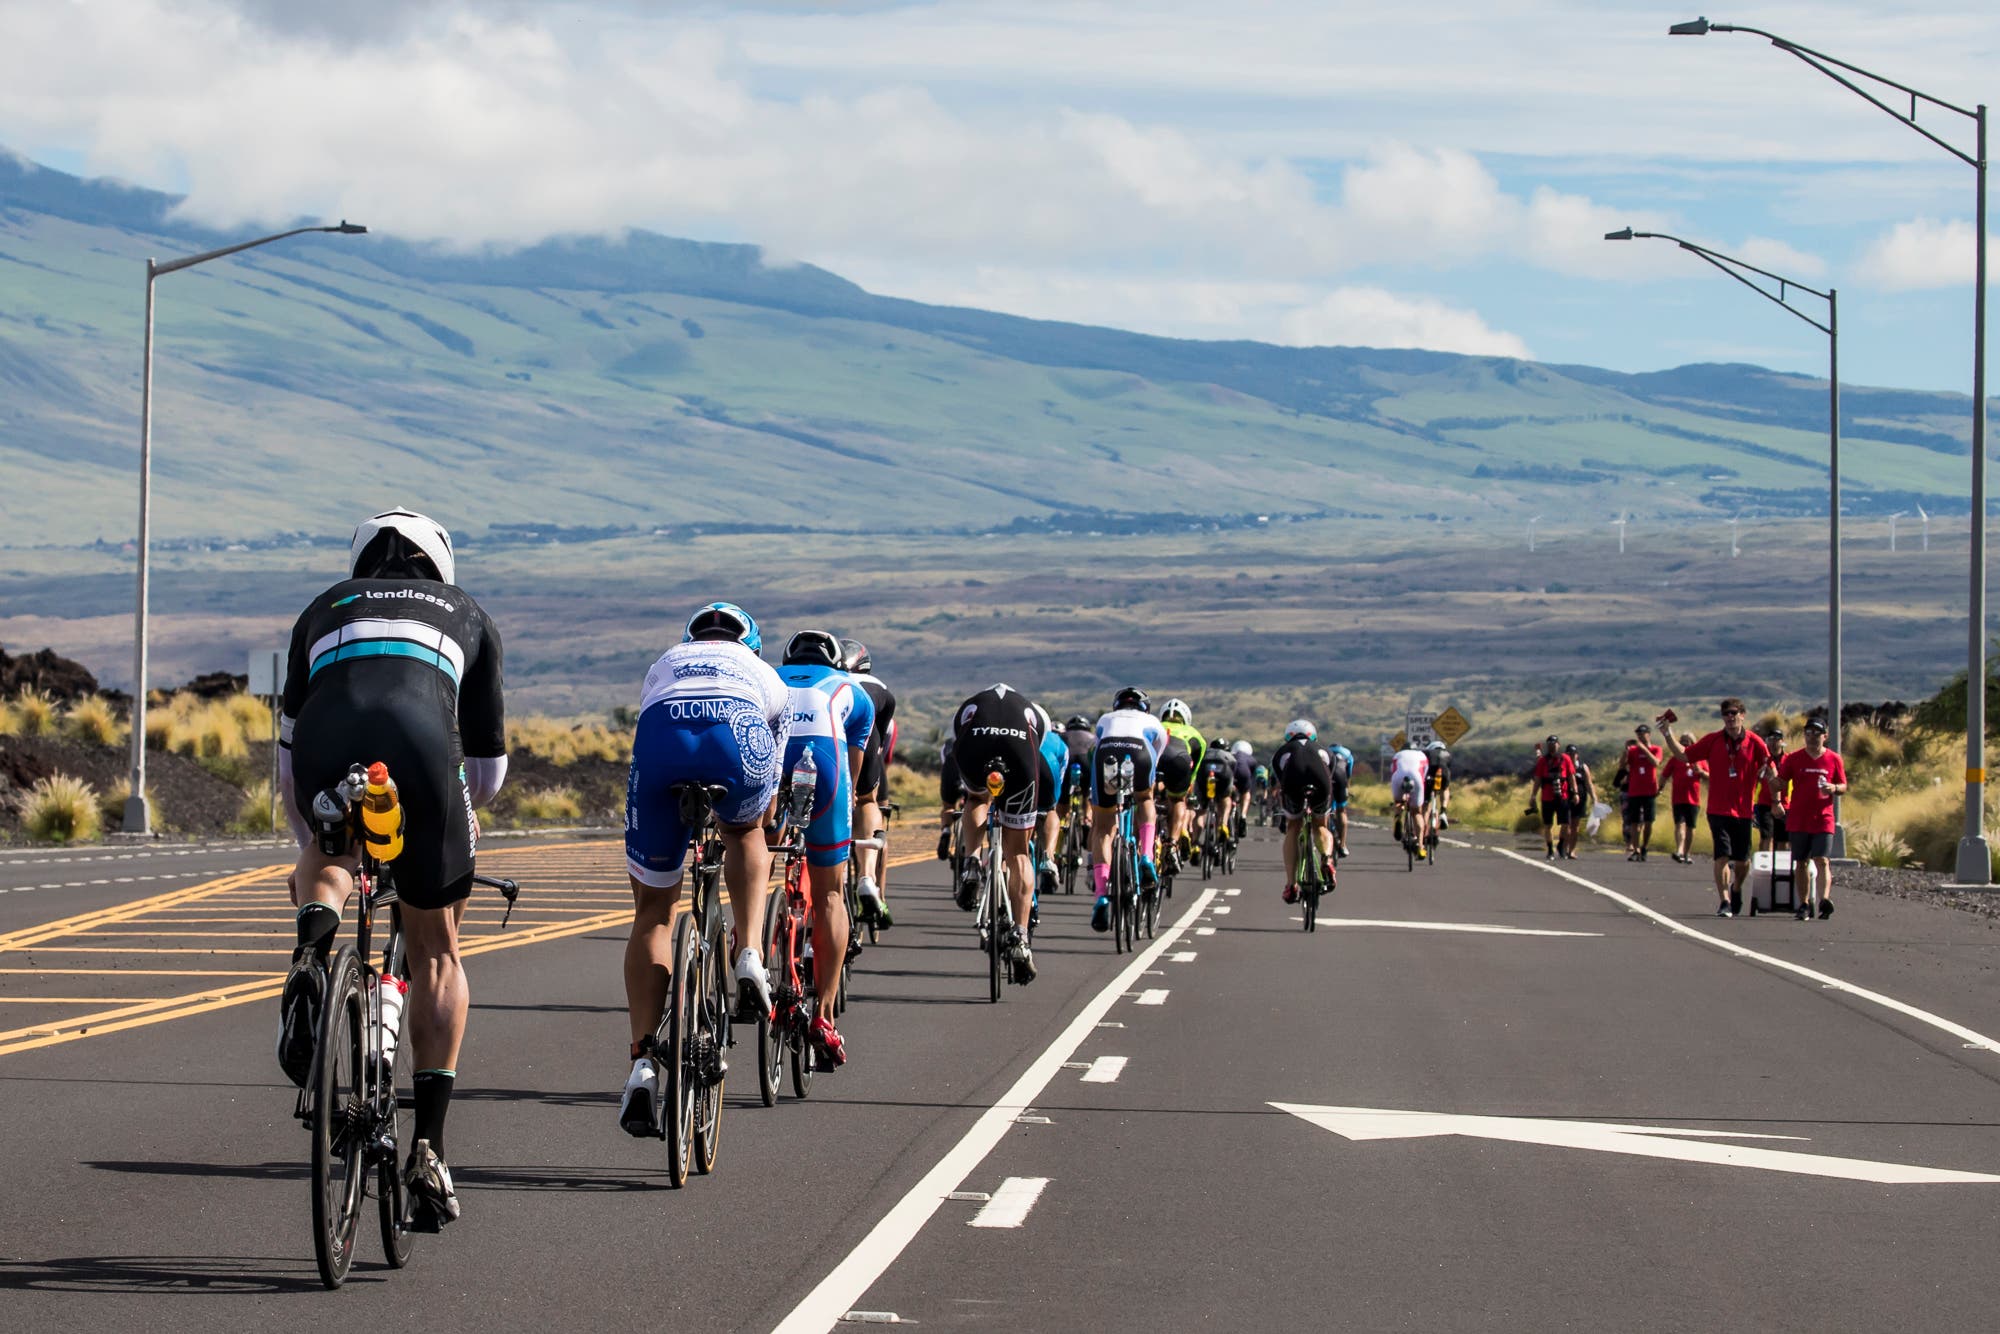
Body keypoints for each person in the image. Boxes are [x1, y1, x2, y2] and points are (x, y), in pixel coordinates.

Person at [277, 509, 508, 1230]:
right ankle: (430, 1150)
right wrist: (448, 825)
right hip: (417, 745)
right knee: (438, 952)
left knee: (328, 845)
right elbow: (487, 771)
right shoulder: (467, 612)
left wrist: (317, 840)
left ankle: (312, 951)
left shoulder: (323, 608)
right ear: (438, 564)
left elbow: (286, 767)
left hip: (324, 739)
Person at [622, 601, 788, 1135]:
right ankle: (750, 955)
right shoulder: (764, 673)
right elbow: (770, 789)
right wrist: (755, 824)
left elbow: (646, 724)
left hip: (662, 735)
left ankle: (643, 1063)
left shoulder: (667, 660)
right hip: (737, 735)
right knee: (746, 832)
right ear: (751, 646)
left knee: (652, 911)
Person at [775, 629, 875, 1065]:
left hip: (772, 759)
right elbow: (853, 782)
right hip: (826, 762)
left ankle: (750, 951)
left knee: (753, 852)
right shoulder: (854, 691)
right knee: (831, 893)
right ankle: (825, 1014)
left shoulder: (767, 676)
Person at [949, 684, 1044, 983]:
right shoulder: (1035, 714)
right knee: (1018, 853)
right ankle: (1020, 934)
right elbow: (1036, 750)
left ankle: (973, 861)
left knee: (977, 798)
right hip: (1020, 755)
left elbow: (959, 734)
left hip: (974, 748)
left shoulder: (971, 704)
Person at [1660, 699, 1771, 917]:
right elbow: (1684, 754)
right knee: (1721, 856)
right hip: (1718, 810)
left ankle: (1737, 887)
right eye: (1725, 714)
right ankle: (1724, 901)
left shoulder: (1755, 742)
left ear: (1743, 715)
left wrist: (1776, 796)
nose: (1730, 717)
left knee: (1742, 861)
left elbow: (1771, 766)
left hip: (1744, 811)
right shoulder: (1713, 741)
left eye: (1733, 713)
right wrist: (1667, 733)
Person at [1088, 687, 1169, 932]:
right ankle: (1146, 855)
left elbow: (1097, 743)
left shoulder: (1105, 719)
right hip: (1141, 752)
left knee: (1103, 826)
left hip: (1107, 753)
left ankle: (1101, 894)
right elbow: (1157, 754)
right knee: (1145, 798)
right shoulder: (1152, 721)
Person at [1767, 716, 1848, 920]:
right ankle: (1803, 904)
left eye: (1816, 733)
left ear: (1825, 736)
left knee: (1822, 860)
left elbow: (1843, 786)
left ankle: (1824, 900)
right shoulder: (1794, 758)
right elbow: (1780, 782)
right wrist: (1774, 795)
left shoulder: (1833, 759)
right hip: (1799, 818)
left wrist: (1834, 788)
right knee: (1801, 862)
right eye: (1808, 733)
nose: (1812, 737)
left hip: (1823, 818)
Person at [841, 638, 896, 929]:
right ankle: (867, 878)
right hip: (866, 747)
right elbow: (882, 746)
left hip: (820, 739)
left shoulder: (826, 680)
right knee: (868, 802)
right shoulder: (878, 686)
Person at [1273, 719, 1335, 900]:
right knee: (1320, 825)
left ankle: (1291, 884)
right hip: (1321, 783)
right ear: (1313, 736)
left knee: (1293, 827)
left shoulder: (1282, 752)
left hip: (1293, 782)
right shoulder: (1324, 750)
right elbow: (1329, 776)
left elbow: (1280, 781)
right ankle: (1326, 858)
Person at [1155, 698, 1204, 869]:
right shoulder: (1195, 734)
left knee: (1144, 798)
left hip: (1155, 759)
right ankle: (1172, 843)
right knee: (1177, 800)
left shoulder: (1153, 725)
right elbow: (1193, 773)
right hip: (1179, 760)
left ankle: (1142, 845)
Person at [1620, 724, 1665, 861]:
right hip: (1634, 790)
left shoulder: (1656, 749)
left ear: (1648, 734)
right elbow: (1622, 766)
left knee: (1648, 821)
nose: (1640, 736)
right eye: (1638, 734)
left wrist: (1643, 749)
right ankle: (1635, 848)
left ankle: (1645, 846)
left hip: (1649, 791)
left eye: (1642, 733)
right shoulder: (1633, 751)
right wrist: (1626, 751)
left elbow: (1656, 762)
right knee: (1634, 822)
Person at [1525, 736, 1574, 860]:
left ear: (1558, 744)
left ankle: (1561, 845)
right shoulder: (1542, 761)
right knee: (1548, 825)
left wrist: (1575, 792)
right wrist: (1533, 795)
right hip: (1547, 797)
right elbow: (1537, 779)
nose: (1552, 745)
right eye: (1550, 743)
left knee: (1565, 824)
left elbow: (1571, 776)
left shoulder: (1566, 759)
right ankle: (1550, 849)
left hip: (1563, 795)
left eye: (1554, 743)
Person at [1663, 733, 1707, 864]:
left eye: (1688, 742)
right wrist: (1660, 787)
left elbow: (1710, 776)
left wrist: (1701, 772)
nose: (1685, 745)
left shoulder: (1700, 760)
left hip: (1693, 799)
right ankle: (1680, 850)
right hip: (1678, 798)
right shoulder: (1675, 759)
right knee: (1679, 824)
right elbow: (1665, 774)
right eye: (1682, 742)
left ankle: (1687, 853)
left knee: (1690, 827)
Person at [1388, 744, 1432, 857]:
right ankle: (1420, 846)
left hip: (1398, 777)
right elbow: (1424, 774)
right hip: (1416, 777)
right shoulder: (1422, 755)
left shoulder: (1397, 755)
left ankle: (1398, 817)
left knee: (1398, 801)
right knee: (1417, 812)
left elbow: (1393, 770)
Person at [1195, 736, 1236, 853]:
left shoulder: (1205, 753)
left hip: (1204, 777)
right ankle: (1222, 824)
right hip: (1223, 777)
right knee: (1225, 799)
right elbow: (1233, 777)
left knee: (1201, 812)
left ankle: (1196, 844)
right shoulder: (1229, 756)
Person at [1753, 729, 1789, 857]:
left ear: (1782, 742)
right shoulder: (1762, 761)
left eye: (1777, 740)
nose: (1774, 743)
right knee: (1767, 835)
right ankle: (1765, 864)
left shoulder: (1788, 760)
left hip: (1785, 804)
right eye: (1771, 740)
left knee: (1783, 839)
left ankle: (1781, 866)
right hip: (1764, 803)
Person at [1564, 744, 1595, 859]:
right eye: (1568, 754)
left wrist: (1594, 798)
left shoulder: (1582, 767)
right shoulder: (1563, 767)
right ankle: (1564, 847)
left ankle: (1571, 850)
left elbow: (1589, 784)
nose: (1571, 756)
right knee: (1566, 825)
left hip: (1580, 799)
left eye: (1573, 754)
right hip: (1566, 798)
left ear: (1577, 755)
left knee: (1575, 826)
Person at [1229, 738, 1257, 837]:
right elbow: (1252, 780)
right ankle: (1243, 815)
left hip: (1230, 771)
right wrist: (1251, 795)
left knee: (1228, 793)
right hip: (1244, 773)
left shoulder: (1231, 755)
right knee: (1245, 793)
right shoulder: (1252, 760)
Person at [1424, 742, 1452, 831]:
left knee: (1426, 801)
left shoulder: (1426, 752)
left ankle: (1423, 827)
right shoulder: (1448, 754)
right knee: (1445, 788)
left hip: (1430, 773)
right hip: (1443, 773)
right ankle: (1443, 811)